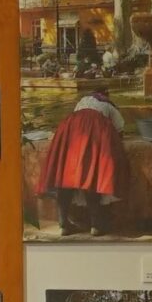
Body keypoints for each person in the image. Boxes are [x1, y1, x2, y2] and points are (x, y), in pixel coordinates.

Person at [37, 90, 128, 238]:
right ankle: (96, 225)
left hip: (70, 129)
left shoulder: (81, 103)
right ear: (106, 96)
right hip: (95, 131)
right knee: (90, 178)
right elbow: (119, 129)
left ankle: (63, 224)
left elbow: (79, 120)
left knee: (65, 178)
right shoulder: (109, 106)